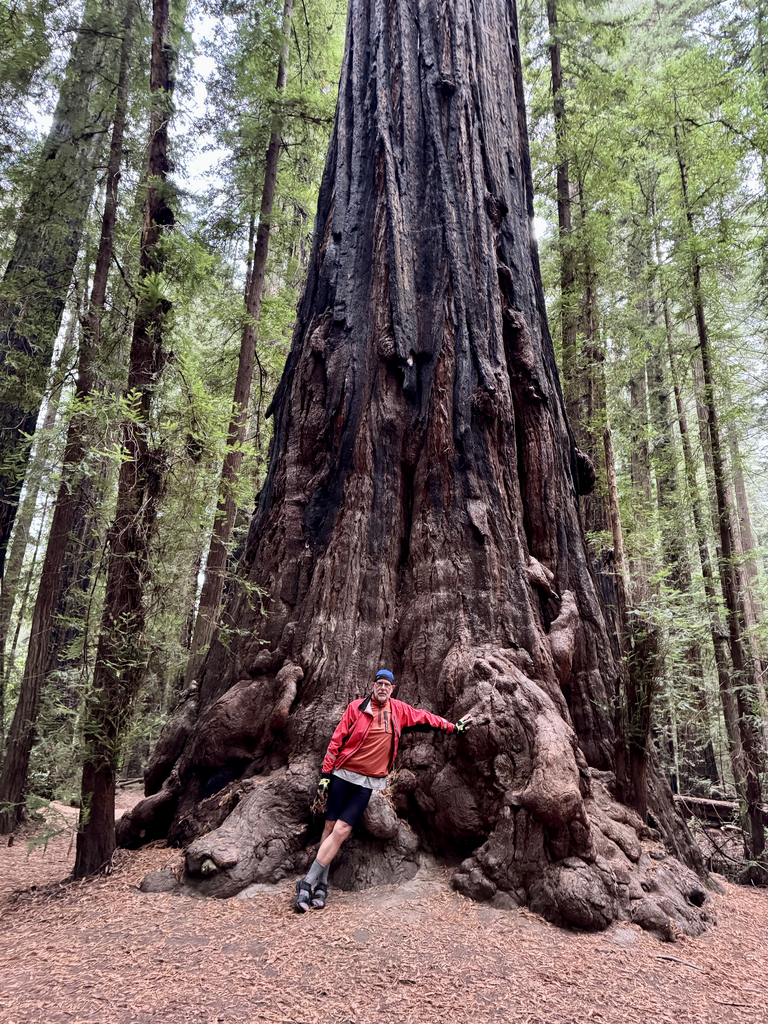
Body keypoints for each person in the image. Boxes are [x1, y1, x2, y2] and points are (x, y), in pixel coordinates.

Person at [295, 667, 470, 912]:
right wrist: (326, 775)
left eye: (387, 685)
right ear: (373, 685)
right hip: (343, 775)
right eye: (379, 684)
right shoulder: (356, 707)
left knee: (342, 829)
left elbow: (425, 718)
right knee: (330, 826)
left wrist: (452, 727)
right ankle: (319, 884)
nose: (383, 688)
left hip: (366, 782)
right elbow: (336, 741)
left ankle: (306, 882)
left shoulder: (399, 710)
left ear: (392, 689)